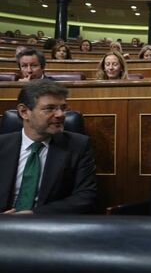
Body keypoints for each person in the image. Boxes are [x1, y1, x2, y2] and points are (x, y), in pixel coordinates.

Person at [0, 79, 97, 214]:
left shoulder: (78, 146)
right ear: (24, 112)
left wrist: (37, 214)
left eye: (63, 108)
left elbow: (85, 197)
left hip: (50, 227)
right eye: (49, 108)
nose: (61, 115)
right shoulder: (2, 145)